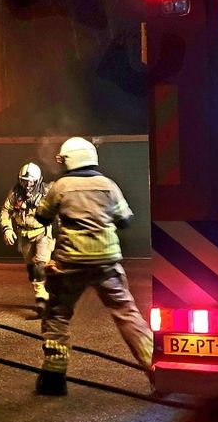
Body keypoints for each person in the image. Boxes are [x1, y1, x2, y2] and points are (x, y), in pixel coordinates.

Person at [33, 137, 153, 396]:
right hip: (107, 263)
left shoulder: (61, 185)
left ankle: (54, 376)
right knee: (127, 314)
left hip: (70, 263)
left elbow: (42, 216)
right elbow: (125, 220)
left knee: (58, 315)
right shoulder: (107, 185)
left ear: (69, 160)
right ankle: (157, 368)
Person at [0, 162, 54, 318]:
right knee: (32, 270)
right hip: (24, 235)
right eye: (25, 181)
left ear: (38, 181)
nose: (28, 185)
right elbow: (5, 211)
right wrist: (7, 229)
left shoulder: (46, 192)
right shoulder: (15, 193)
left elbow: (58, 206)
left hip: (42, 233)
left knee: (40, 266)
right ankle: (42, 292)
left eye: (31, 181)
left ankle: (43, 301)